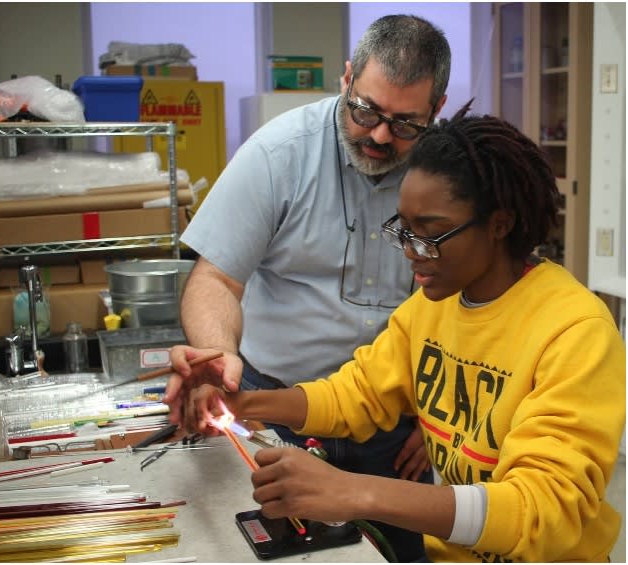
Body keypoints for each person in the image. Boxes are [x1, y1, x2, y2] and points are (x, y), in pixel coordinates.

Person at [174, 112, 626, 562]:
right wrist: (238, 404)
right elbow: (357, 396)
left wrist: (355, 493)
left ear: (500, 224)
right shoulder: (432, 306)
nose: (411, 253)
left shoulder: (575, 333)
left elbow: (542, 510)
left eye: (428, 235)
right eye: (403, 231)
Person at [165, 14, 451, 562]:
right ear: (346, 79)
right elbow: (216, 279)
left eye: (405, 123)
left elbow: (464, 302)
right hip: (277, 409)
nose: (380, 135)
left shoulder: (448, 175)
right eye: (366, 110)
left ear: (435, 109)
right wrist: (219, 355)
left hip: (395, 424)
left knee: (396, 553)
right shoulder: (279, 154)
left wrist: (435, 416)